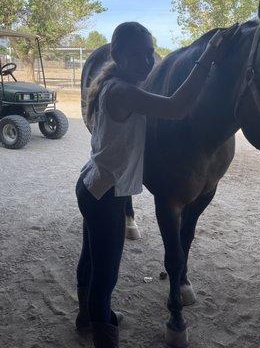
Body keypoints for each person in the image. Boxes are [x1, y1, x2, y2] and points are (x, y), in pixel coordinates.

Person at [75, 21, 238, 348]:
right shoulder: (124, 92)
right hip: (106, 193)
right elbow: (177, 107)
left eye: (151, 53)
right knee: (106, 273)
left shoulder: (114, 85)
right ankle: (103, 333)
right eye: (139, 54)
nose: (150, 62)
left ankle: (91, 317)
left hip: (95, 184)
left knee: (91, 259)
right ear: (118, 55)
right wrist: (206, 58)